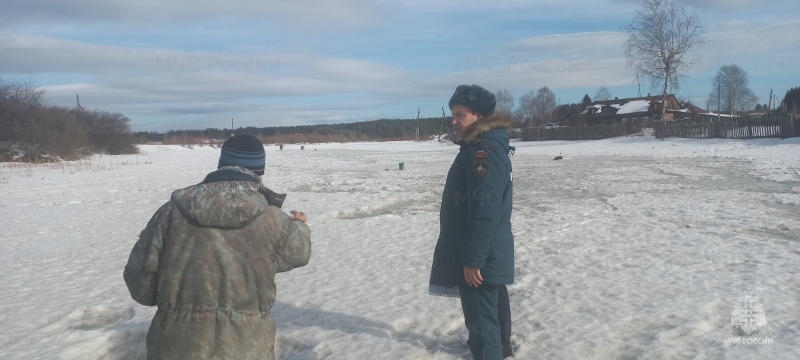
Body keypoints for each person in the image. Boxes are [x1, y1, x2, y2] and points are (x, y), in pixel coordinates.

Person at [123, 134, 312, 360]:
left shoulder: (170, 213)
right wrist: (299, 225)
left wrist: (171, 306)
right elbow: (299, 253)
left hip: (176, 346)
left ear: (221, 164)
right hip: (247, 348)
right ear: (259, 171)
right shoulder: (274, 219)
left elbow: (140, 280)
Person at [429, 84, 515, 359]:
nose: (453, 120)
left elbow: (485, 210)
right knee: (483, 321)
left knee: (482, 326)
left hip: (481, 256)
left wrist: (474, 259)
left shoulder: (483, 152)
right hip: (483, 251)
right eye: (453, 114)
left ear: (479, 116)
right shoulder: (478, 145)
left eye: (459, 114)